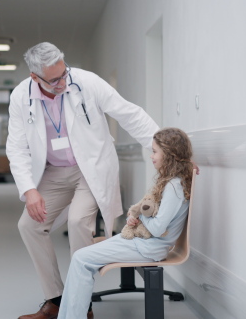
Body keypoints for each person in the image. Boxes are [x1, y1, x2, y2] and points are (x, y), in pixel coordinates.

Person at [7, 42, 160, 319]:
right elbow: (16, 147)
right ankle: (55, 300)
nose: (62, 82)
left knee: (79, 222)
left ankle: (82, 305)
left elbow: (128, 113)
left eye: (63, 73)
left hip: (89, 169)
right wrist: (29, 189)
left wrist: (166, 149)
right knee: (28, 225)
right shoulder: (20, 96)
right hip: (52, 172)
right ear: (34, 77)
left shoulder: (87, 82)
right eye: (53, 80)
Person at [58, 127, 193, 318]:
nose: (152, 156)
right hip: (142, 243)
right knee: (81, 257)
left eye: (155, 151)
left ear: (170, 155)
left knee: (81, 259)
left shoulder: (173, 187)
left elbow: (157, 229)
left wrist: (141, 215)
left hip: (149, 247)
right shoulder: (174, 181)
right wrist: (141, 217)